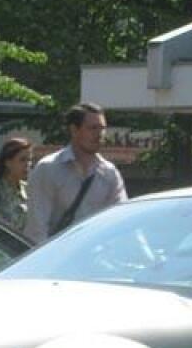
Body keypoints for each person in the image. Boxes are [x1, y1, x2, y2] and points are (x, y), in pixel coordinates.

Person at [25, 102, 127, 246]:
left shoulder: (109, 173)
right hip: (57, 256)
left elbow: (121, 221)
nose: (100, 134)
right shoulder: (48, 169)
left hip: (95, 257)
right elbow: (37, 229)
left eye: (102, 128)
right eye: (93, 128)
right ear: (74, 130)